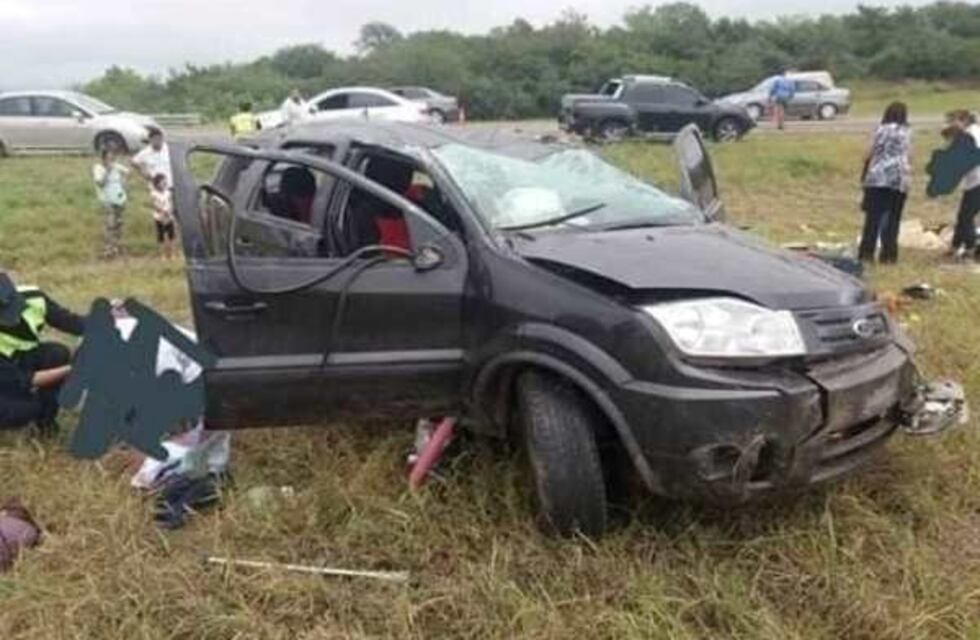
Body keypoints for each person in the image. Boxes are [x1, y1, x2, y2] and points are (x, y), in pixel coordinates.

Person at [0, 273, 85, 434]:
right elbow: (24, 380)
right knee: (25, 410)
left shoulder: (33, 297)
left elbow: (72, 322)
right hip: (6, 377)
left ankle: (46, 424)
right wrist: (74, 369)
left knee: (56, 353)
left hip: (19, 360)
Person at [859, 101, 912, 264]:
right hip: (899, 179)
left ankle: (866, 254)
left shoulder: (880, 130)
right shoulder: (906, 132)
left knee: (873, 219)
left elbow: (869, 153)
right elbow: (909, 155)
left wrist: (866, 170)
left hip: (878, 178)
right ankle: (889, 255)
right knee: (893, 219)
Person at [945, 110, 980, 260]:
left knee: (966, 217)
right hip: (974, 180)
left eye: (954, 120)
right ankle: (955, 246)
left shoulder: (970, 135)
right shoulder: (975, 131)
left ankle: (970, 248)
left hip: (977, 180)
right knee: (963, 215)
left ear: (964, 121)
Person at [92, 148, 129, 259]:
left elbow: (128, 172)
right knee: (110, 224)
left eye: (112, 157)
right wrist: (108, 171)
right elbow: (100, 183)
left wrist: (123, 183)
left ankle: (116, 246)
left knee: (118, 223)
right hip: (107, 200)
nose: (111, 159)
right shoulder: (98, 168)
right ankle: (109, 248)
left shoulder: (116, 167)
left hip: (119, 198)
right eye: (109, 157)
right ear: (103, 158)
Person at [150, 173, 176, 260]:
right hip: (159, 217)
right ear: (157, 183)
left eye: (165, 181)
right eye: (162, 181)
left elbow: (171, 203)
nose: (164, 183)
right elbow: (154, 205)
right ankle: (162, 255)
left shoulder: (168, 193)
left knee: (171, 236)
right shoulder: (153, 193)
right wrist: (162, 211)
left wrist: (170, 211)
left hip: (169, 216)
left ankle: (172, 254)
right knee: (161, 237)